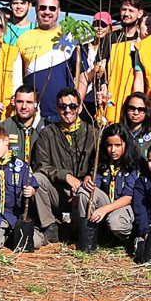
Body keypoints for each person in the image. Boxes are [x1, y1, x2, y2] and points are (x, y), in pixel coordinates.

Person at [32, 88, 98, 242]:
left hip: (84, 190)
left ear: (80, 107)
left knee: (88, 191)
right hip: (58, 190)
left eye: (72, 106)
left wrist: (87, 178)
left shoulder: (93, 133)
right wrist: (65, 176)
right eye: (63, 106)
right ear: (57, 108)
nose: (67, 110)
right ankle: (49, 226)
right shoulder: (48, 133)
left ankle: (82, 230)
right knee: (37, 179)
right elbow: (41, 165)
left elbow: (100, 163)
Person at [16, 0, 77, 120]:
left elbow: (81, 75)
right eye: (43, 8)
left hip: (63, 113)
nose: (47, 12)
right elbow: (16, 78)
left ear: (58, 11)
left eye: (52, 8)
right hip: (31, 114)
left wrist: (77, 103)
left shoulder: (70, 38)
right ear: (36, 10)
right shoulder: (23, 39)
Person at [76, 123, 140, 246]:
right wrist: (88, 179)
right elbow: (96, 185)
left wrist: (104, 210)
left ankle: (123, 239)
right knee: (84, 192)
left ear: (126, 145)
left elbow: (128, 196)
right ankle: (88, 236)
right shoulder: (102, 161)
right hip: (105, 202)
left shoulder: (132, 165)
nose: (113, 150)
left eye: (118, 145)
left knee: (116, 222)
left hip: (122, 205)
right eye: (109, 145)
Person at [98, 0, 145, 124]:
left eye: (131, 10)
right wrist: (102, 85)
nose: (126, 13)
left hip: (134, 104)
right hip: (110, 101)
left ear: (140, 13)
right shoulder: (110, 38)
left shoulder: (143, 41)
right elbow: (100, 68)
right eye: (124, 9)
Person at [0, 85, 46, 164]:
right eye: (20, 102)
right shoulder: (4, 127)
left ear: (37, 104)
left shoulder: (47, 128)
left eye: (29, 102)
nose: (24, 106)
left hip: (39, 174)